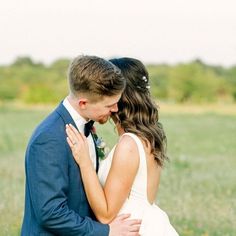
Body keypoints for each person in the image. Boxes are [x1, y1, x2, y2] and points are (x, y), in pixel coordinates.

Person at [21, 55, 141, 236]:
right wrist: (106, 231)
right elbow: (50, 213)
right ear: (83, 103)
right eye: (110, 104)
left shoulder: (86, 127)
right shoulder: (48, 139)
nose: (116, 109)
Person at [66, 57, 179, 235]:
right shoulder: (146, 136)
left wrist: (85, 161)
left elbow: (105, 215)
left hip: (131, 229)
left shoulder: (129, 145)